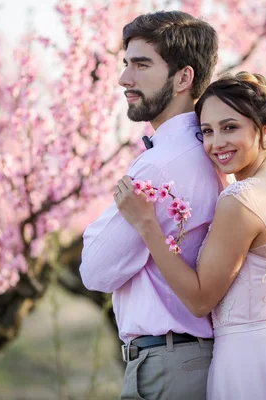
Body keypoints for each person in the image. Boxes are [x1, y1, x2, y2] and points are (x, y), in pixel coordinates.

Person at [114, 72, 266, 399]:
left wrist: (146, 225)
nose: (216, 142)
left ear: (265, 130)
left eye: (230, 127)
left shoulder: (241, 200)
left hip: (248, 362)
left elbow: (199, 299)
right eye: (207, 131)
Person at [79, 11, 221, 400]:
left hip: (166, 368)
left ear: (183, 78)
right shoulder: (206, 151)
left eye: (141, 65)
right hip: (184, 361)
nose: (124, 78)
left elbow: (94, 271)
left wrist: (96, 233)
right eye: (126, 64)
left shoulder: (160, 165)